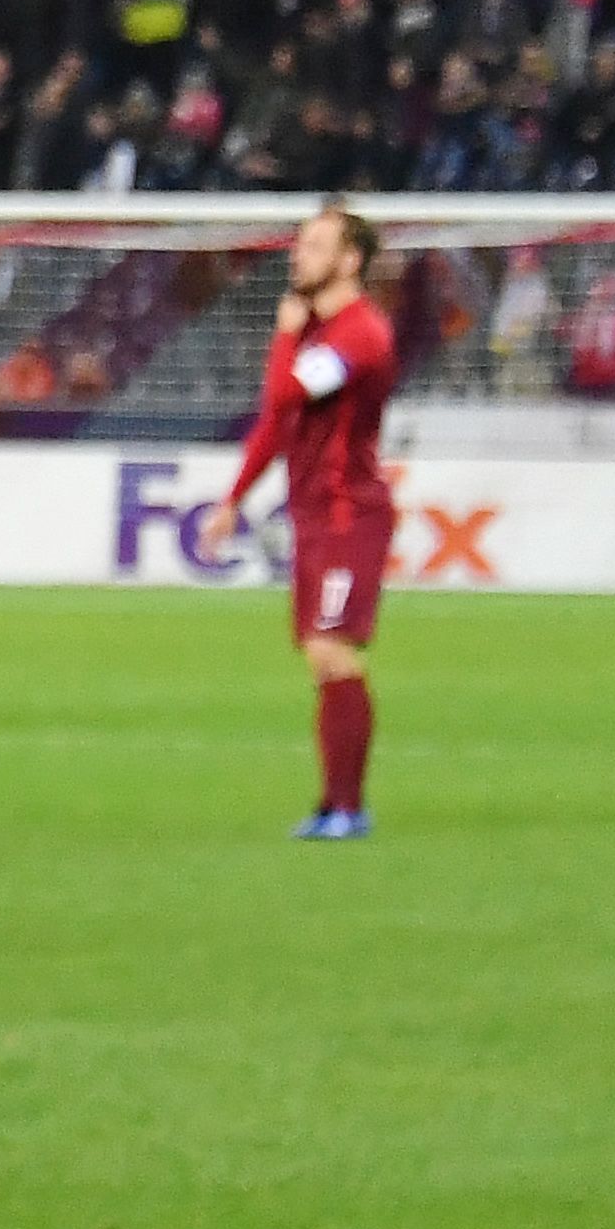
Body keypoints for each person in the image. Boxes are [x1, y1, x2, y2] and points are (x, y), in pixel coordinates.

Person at [200, 199, 400, 840]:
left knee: (331, 651)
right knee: (321, 656)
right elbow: (276, 423)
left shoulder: (361, 334)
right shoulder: (318, 335)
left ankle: (347, 808)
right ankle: (334, 805)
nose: (298, 254)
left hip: (350, 515)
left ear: (349, 261)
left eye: (315, 246)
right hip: (314, 516)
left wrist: (285, 333)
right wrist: (234, 498)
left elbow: (284, 392)